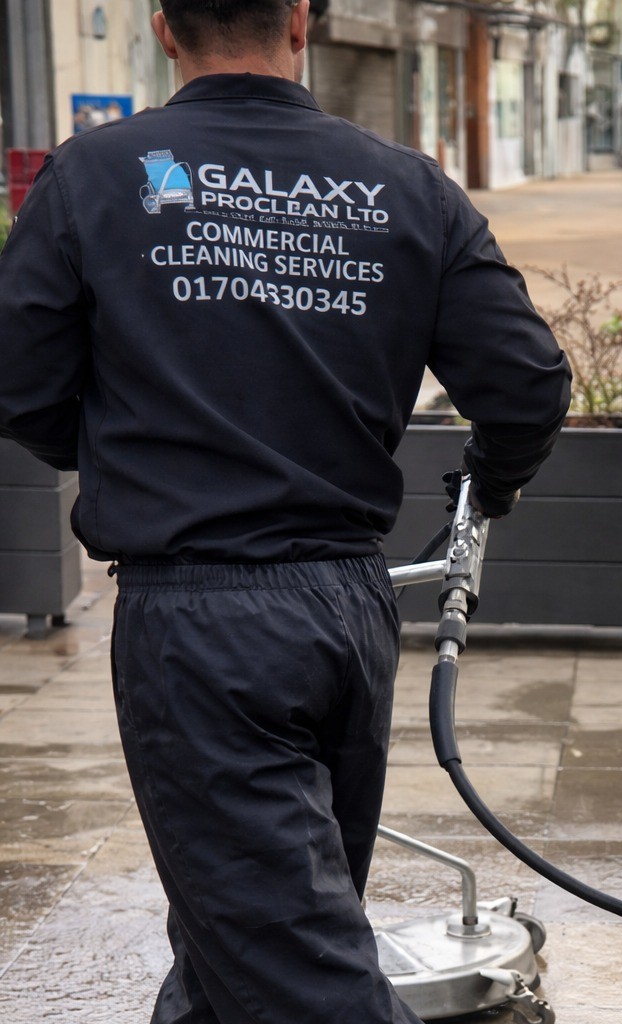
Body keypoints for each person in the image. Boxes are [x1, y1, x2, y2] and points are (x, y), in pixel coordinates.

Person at [0, 2, 571, 1022]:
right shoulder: (407, 186)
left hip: (201, 624)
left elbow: (21, 384)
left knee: (293, 968)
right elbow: (526, 383)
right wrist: (492, 481)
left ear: (163, 28)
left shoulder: (95, 175)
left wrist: (141, 457)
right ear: (301, 21)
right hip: (345, 611)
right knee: (240, 944)